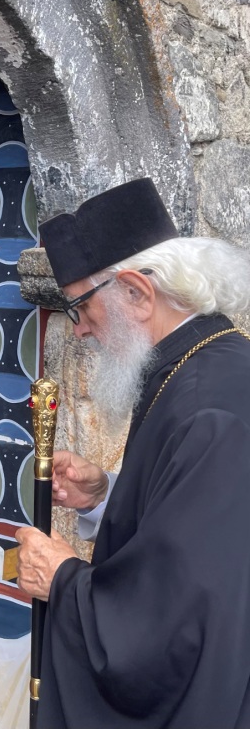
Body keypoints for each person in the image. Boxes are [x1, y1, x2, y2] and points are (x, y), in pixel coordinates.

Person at [15, 177, 250, 729]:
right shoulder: (204, 365)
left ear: (137, 294)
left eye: (79, 307)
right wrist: (105, 496)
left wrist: (62, 580)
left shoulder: (206, 406)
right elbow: (192, 528)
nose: (79, 331)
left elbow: (176, 625)